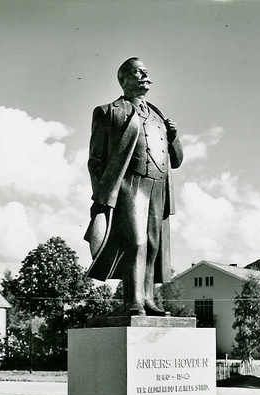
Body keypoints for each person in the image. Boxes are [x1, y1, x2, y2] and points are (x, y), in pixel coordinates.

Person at [84, 57, 183, 315]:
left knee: (152, 244)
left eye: (146, 72)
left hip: (158, 185)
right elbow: (95, 159)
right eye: (137, 72)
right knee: (136, 242)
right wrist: (103, 195)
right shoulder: (108, 112)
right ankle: (133, 301)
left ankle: (148, 299)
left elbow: (177, 161)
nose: (144, 76)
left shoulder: (159, 116)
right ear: (124, 79)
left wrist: (174, 138)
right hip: (129, 184)